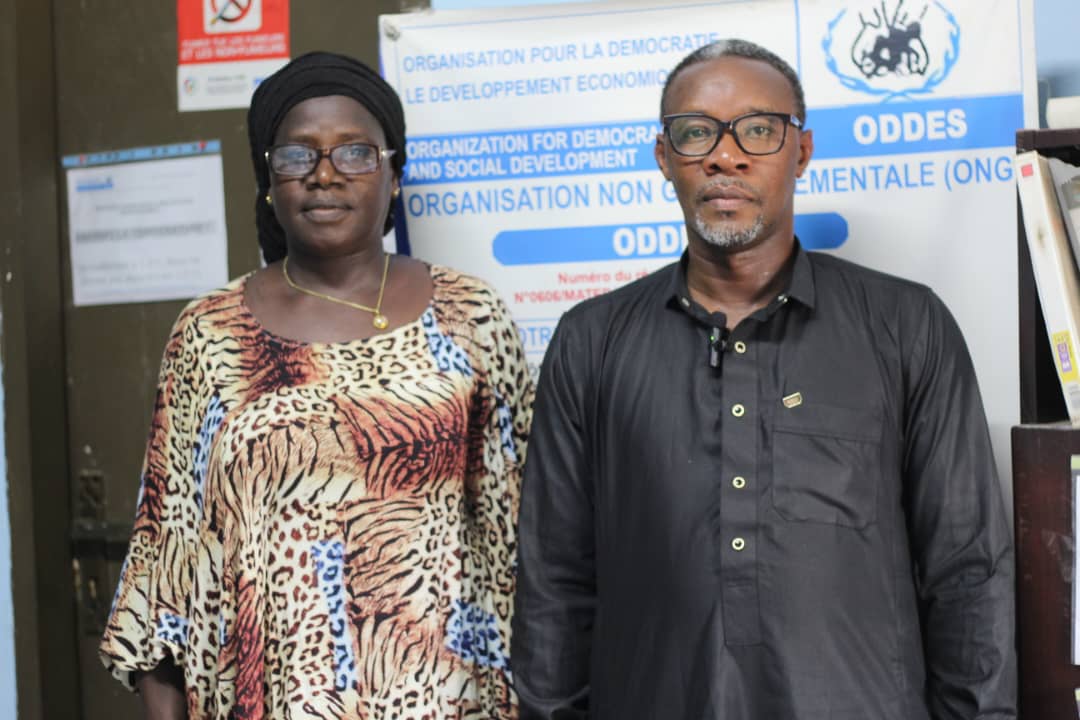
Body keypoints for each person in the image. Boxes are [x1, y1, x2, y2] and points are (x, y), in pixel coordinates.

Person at [511, 39, 1015, 719]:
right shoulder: (591, 341)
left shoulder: (907, 326)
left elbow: (969, 570)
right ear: (663, 157)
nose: (727, 155)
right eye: (696, 133)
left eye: (758, 129)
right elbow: (553, 583)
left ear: (801, 152)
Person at [99, 51, 532, 719]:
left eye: (355, 152)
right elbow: (164, 573)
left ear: (394, 175)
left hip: (452, 701)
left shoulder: (471, 315)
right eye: (297, 155)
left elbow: (527, 539)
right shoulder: (210, 335)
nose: (325, 174)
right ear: (268, 181)